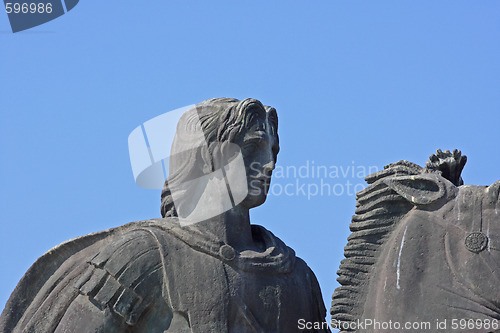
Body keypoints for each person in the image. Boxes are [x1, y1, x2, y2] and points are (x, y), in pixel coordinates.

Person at [0, 98, 329, 332]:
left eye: (272, 151)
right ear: (207, 155)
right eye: (253, 146)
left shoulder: (297, 278)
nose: (269, 163)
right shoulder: (141, 257)